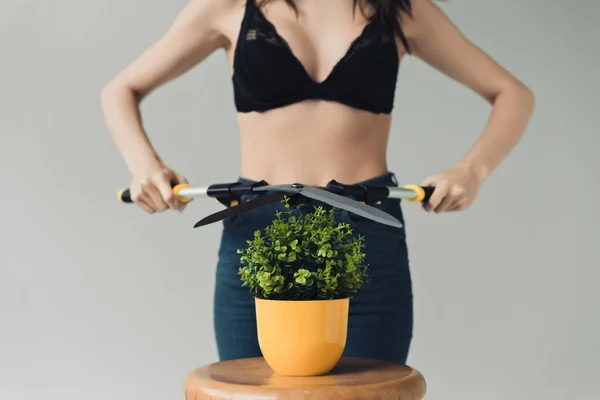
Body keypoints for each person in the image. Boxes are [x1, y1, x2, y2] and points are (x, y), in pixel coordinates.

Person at [101, 0, 534, 363]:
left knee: (370, 392)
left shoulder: (400, 8)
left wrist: (471, 171)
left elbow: (513, 94)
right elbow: (120, 89)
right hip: (257, 233)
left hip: (363, 231)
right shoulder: (230, 4)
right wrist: (145, 166)